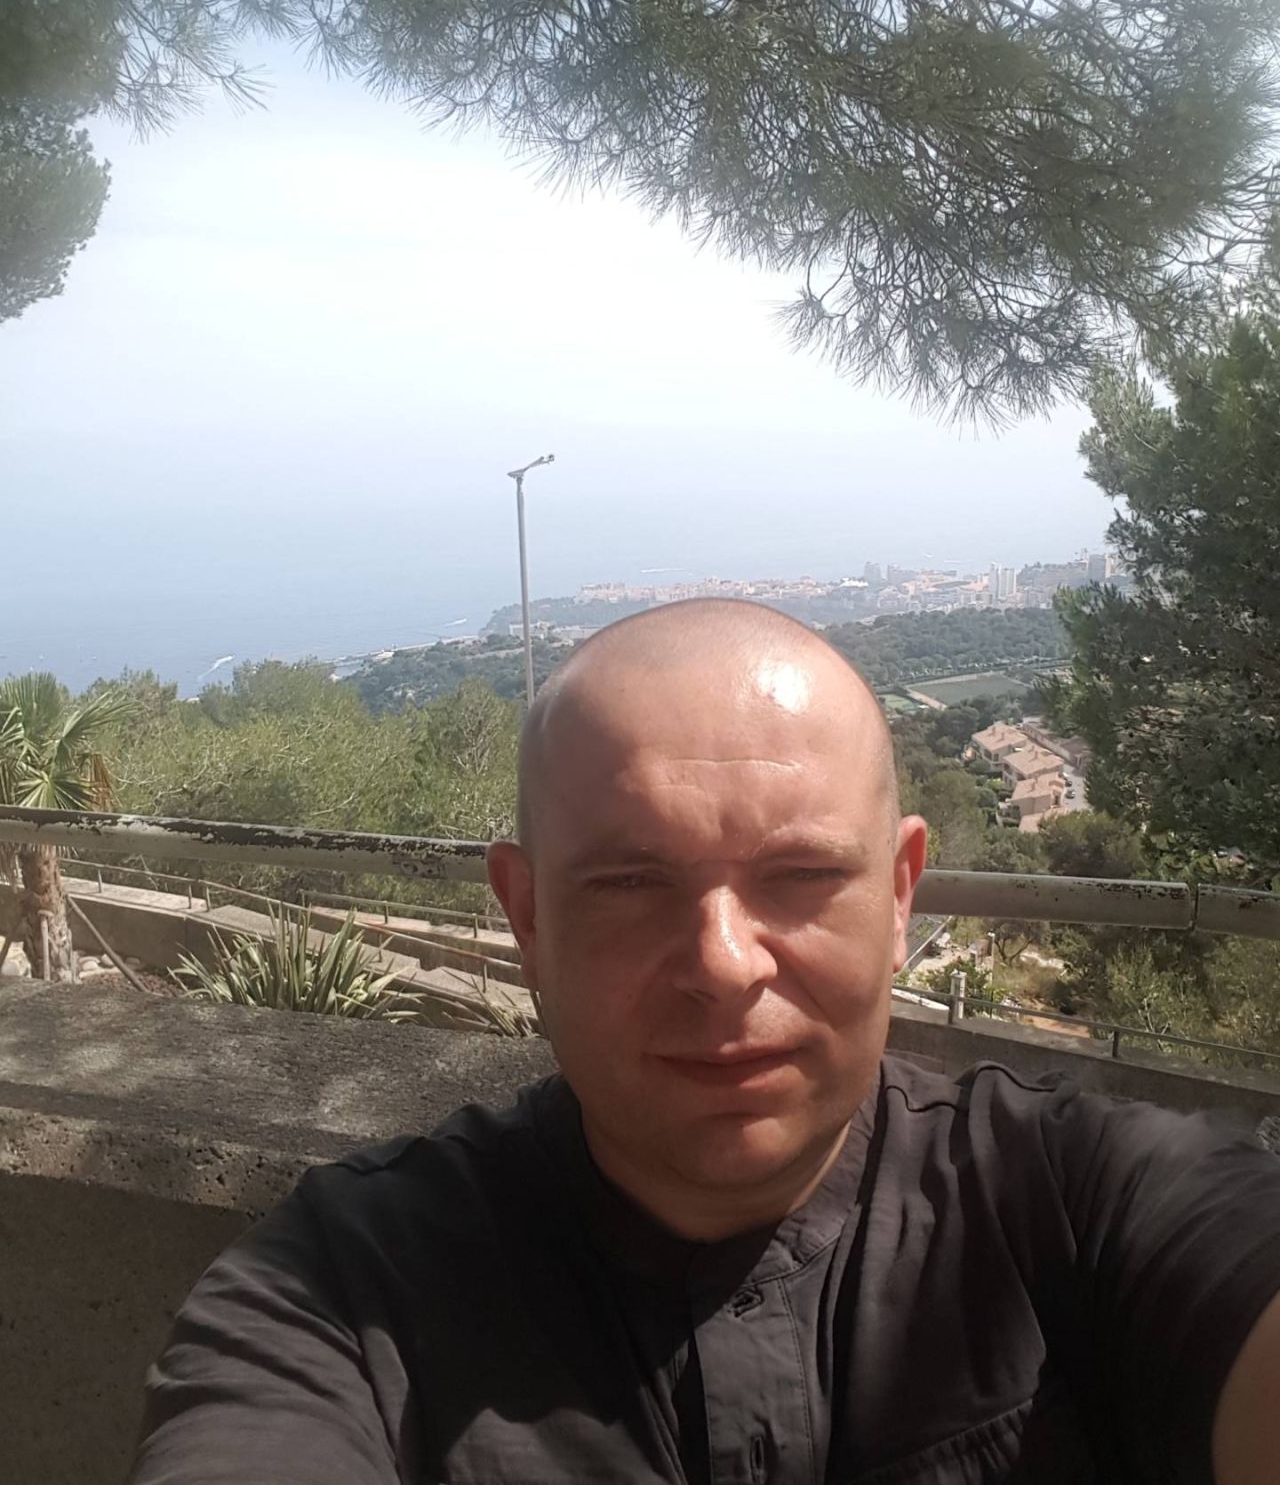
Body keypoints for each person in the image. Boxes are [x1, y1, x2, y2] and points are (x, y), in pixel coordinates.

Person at [131, 600, 1280, 1484]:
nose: (724, 964)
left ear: (898, 897)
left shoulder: (1092, 1207)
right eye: (629, 884)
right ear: (526, 916)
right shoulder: (338, 1297)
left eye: (801, 874)